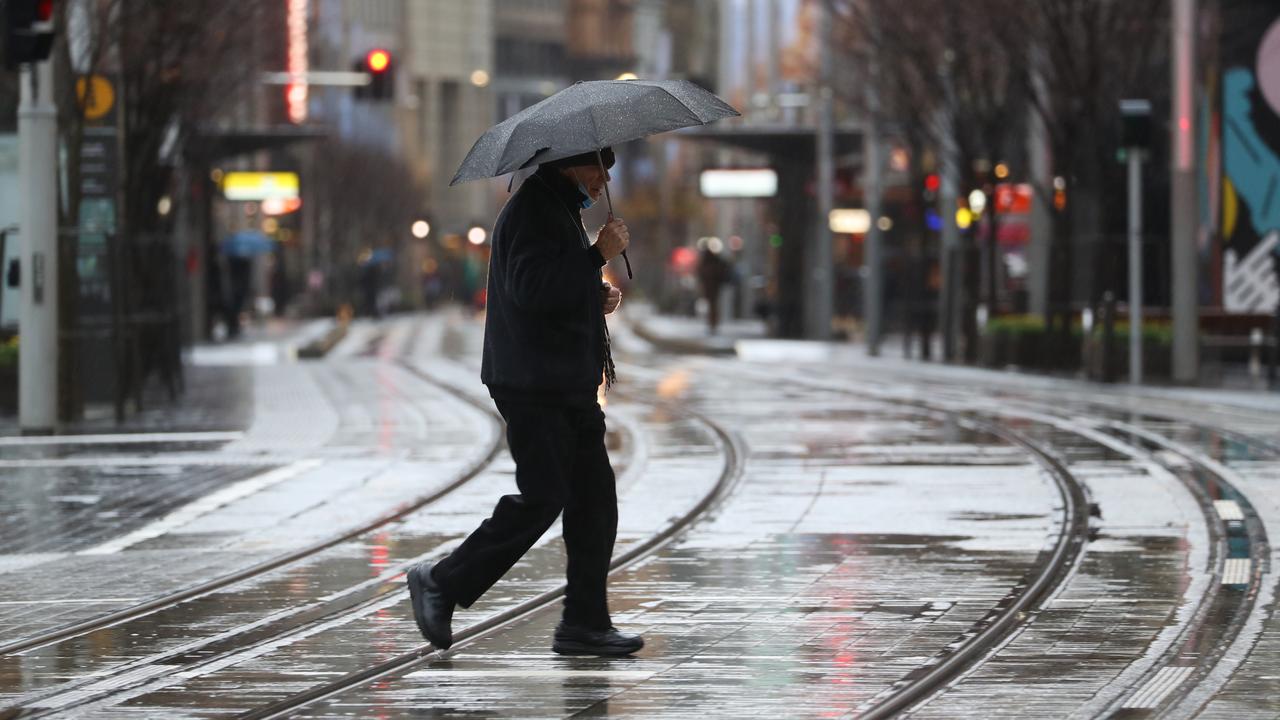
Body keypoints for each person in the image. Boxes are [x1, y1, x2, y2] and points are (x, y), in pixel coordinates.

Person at [407, 147, 643, 656]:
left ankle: (584, 622)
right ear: (568, 165)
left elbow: (553, 287)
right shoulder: (534, 209)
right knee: (542, 496)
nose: (604, 179)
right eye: (597, 168)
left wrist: (592, 292)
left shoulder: (558, 207)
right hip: (535, 383)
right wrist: (596, 256)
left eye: (609, 170)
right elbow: (531, 289)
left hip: (565, 382)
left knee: (594, 503)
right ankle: (441, 582)